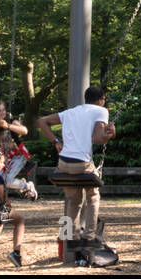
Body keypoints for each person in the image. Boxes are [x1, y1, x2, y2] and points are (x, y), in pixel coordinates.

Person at [36, 85, 115, 244]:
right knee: (93, 195)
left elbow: (42, 121)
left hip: (63, 163)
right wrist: (111, 134)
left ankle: (70, 236)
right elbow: (98, 139)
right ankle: (89, 236)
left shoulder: (70, 112)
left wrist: (56, 141)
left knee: (74, 199)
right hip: (82, 164)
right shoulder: (101, 111)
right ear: (100, 100)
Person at [0, 101, 38, 200]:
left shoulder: (12, 122)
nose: (2, 112)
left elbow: (25, 131)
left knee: (7, 181)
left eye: (3, 110)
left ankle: (27, 186)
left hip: (19, 155)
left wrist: (9, 126)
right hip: (5, 157)